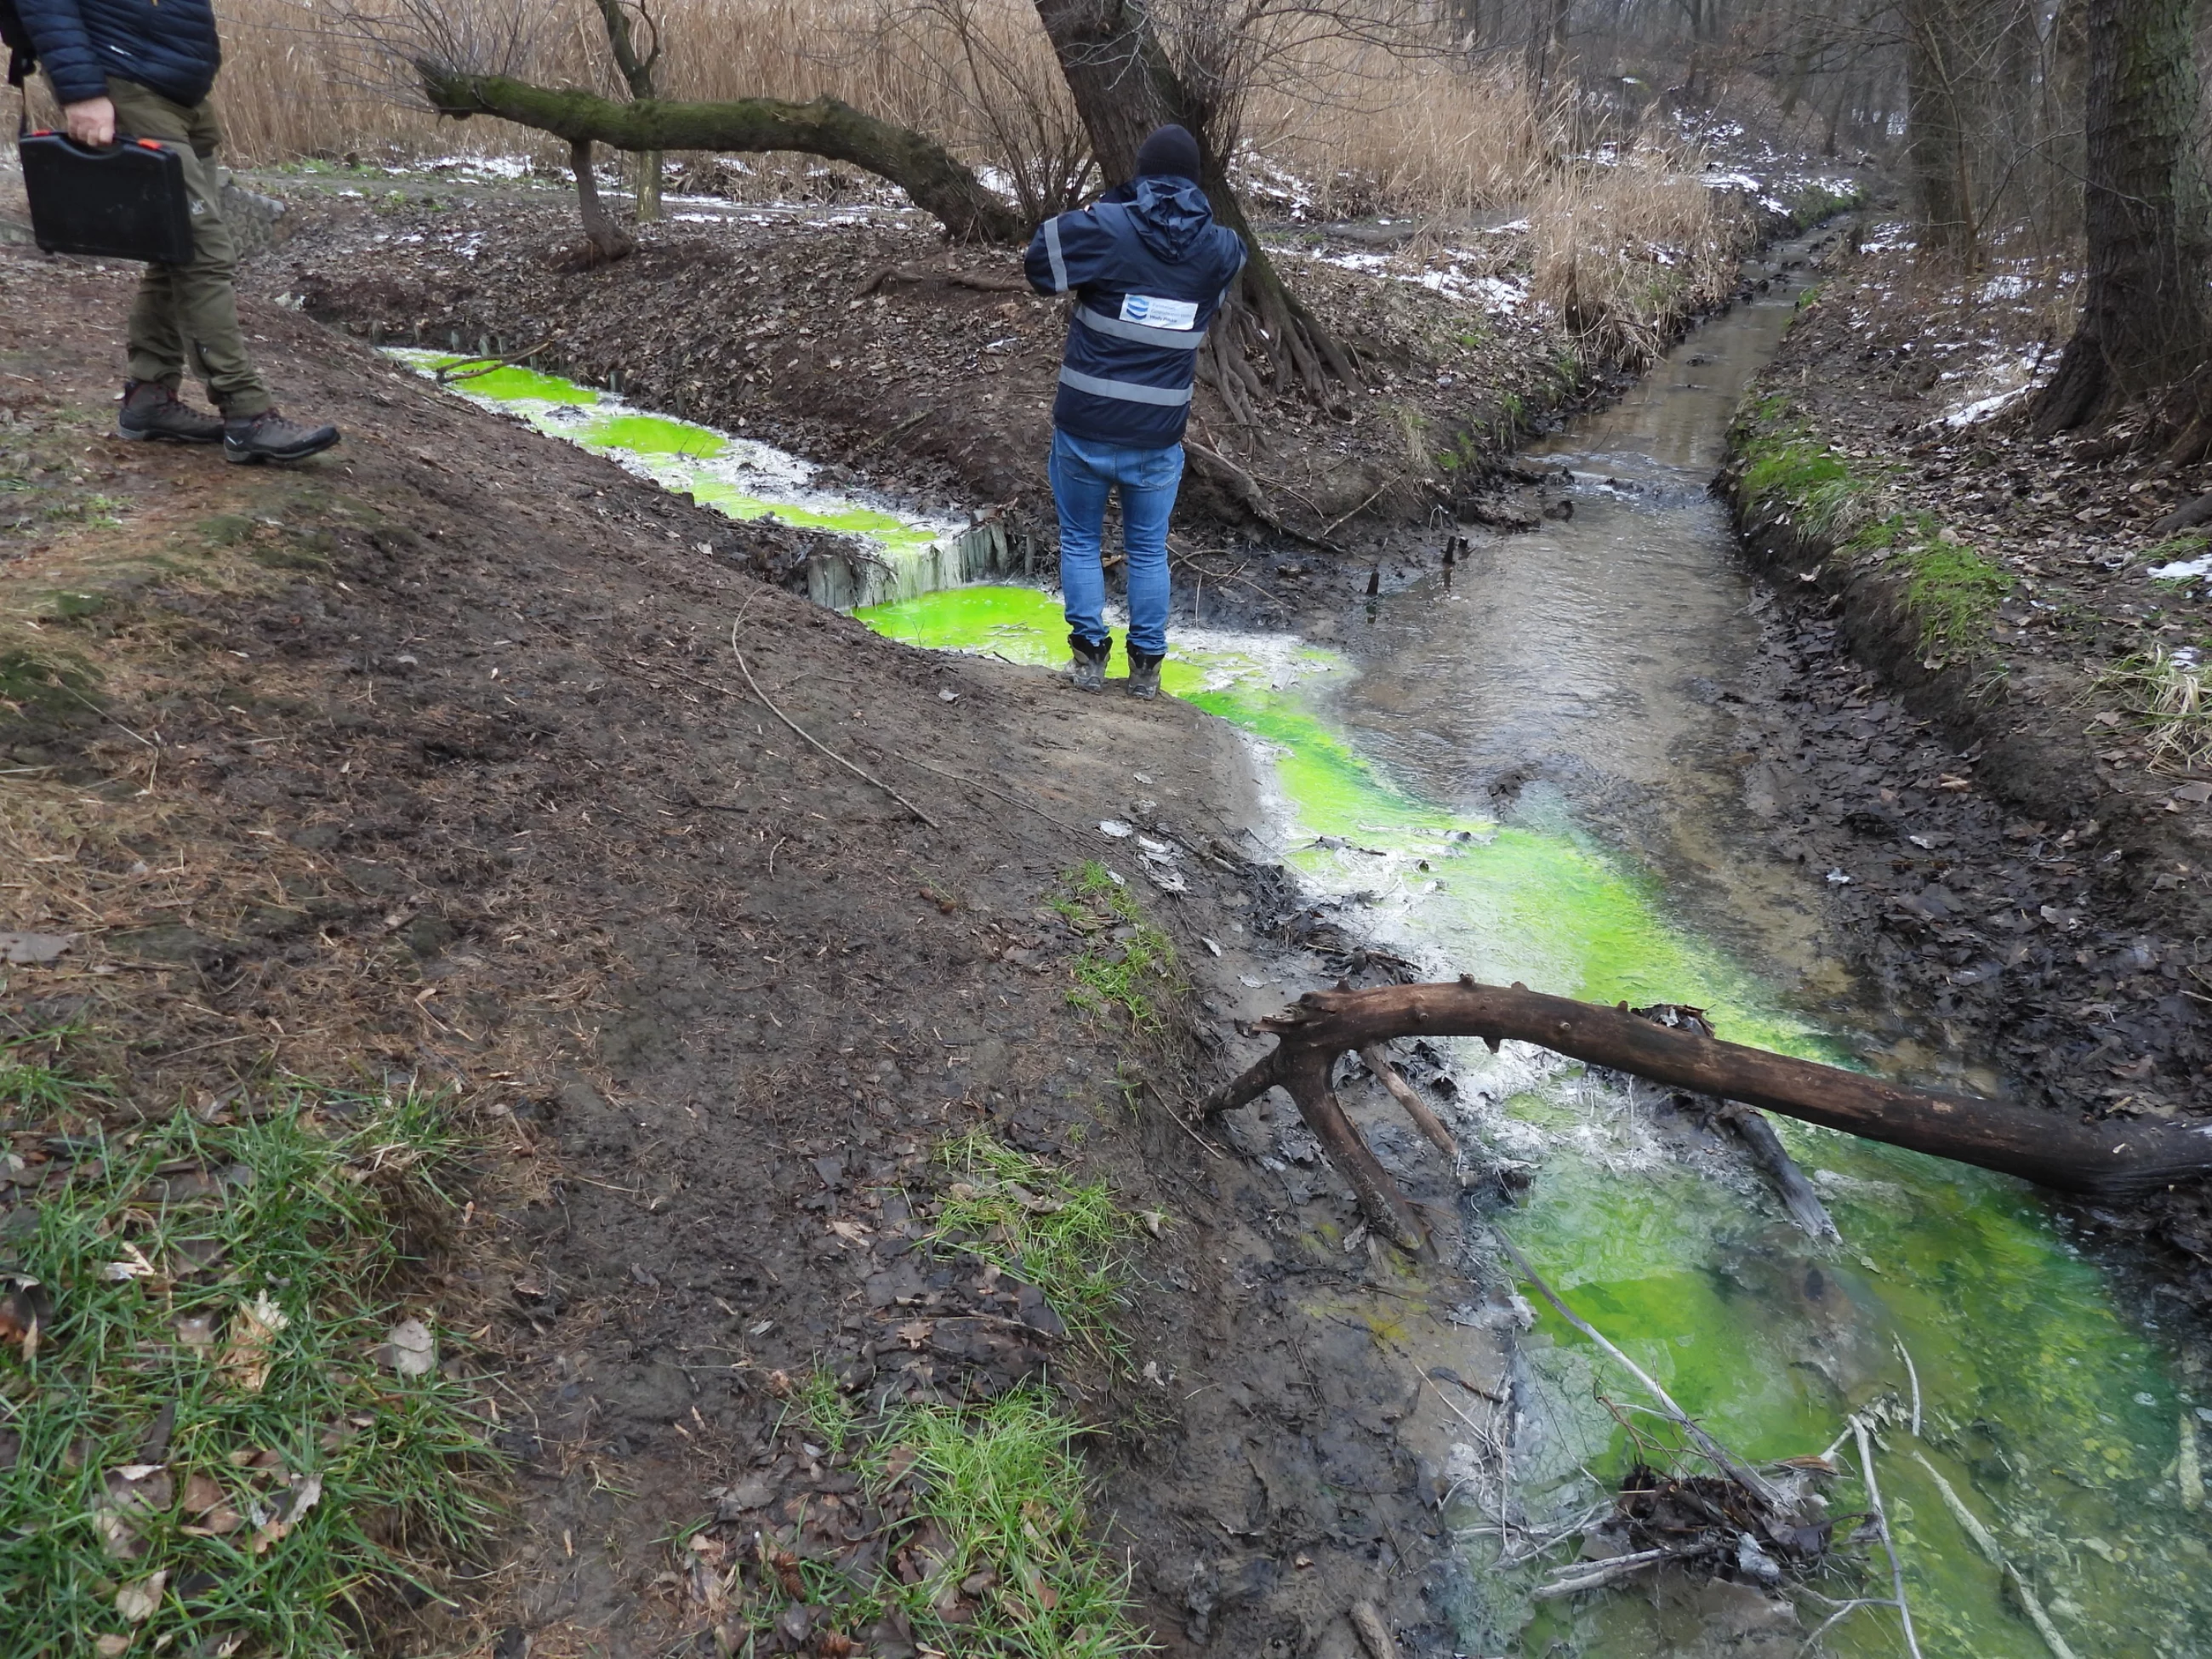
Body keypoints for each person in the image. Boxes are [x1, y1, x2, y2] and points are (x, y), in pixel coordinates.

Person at [17, 0, 341, 464]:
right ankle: (247, 414)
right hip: (124, 79)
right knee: (203, 252)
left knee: (175, 245)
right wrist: (81, 91)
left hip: (176, 88)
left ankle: (149, 397)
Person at [1023, 123, 1245, 698]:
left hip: (1084, 428)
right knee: (1147, 549)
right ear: (1195, 184)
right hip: (1156, 437)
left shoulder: (1109, 228)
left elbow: (1039, 265)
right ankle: (1145, 671)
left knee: (1079, 540)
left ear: (1141, 175)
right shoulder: (1221, 248)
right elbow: (1214, 284)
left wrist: (1103, 210)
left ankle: (1089, 661)